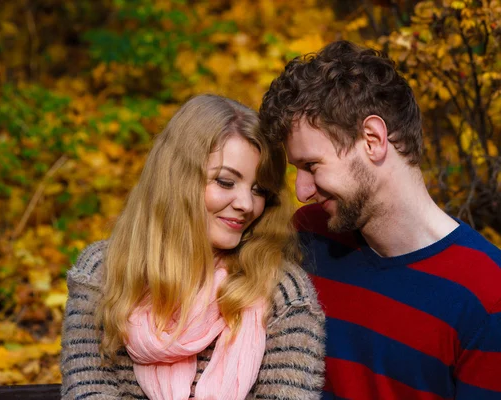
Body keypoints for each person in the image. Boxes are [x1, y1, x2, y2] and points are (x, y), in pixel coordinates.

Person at [259, 40, 501, 400]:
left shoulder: (487, 293)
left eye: (311, 166)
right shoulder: (308, 236)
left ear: (372, 139)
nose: (303, 190)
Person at [60, 94, 325, 400]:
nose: (245, 204)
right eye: (226, 182)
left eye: (258, 190)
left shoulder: (282, 292)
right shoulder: (102, 272)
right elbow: (88, 391)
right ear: (178, 177)